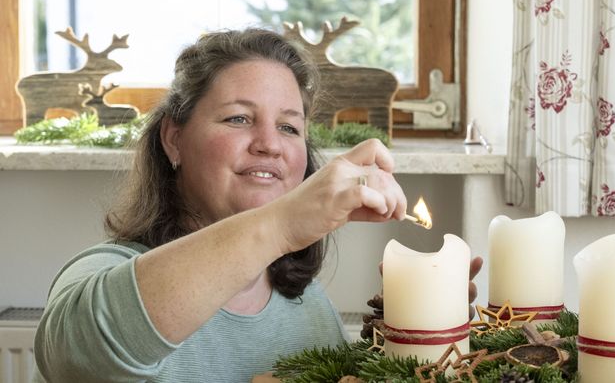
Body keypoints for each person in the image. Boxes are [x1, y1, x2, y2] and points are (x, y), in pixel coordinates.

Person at [34, 28, 481, 383]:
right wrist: (282, 223)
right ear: (174, 139)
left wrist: (414, 329)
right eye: (239, 119)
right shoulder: (99, 272)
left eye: (289, 127)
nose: (270, 144)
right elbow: (82, 357)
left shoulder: (304, 304)